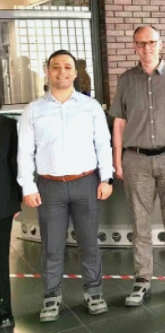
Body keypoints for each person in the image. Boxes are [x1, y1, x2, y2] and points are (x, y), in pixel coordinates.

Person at [17, 49, 113, 322]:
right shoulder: (33, 110)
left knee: (89, 243)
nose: (62, 72)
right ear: (47, 71)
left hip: (86, 183)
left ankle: (94, 292)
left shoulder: (90, 106)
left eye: (67, 67)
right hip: (50, 187)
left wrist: (106, 178)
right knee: (52, 246)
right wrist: (28, 186)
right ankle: (51, 296)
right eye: (56, 67)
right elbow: (25, 152)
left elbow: (102, 144)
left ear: (75, 72)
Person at [109, 25, 165, 306]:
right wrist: (117, 159)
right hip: (135, 159)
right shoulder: (125, 80)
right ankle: (142, 279)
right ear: (135, 46)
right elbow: (119, 123)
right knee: (140, 224)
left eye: (151, 42)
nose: (147, 47)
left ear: (161, 44)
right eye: (141, 43)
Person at [0, 109, 20, 329]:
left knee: (1, 259)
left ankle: (4, 310)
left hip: (3, 201)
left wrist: (17, 199)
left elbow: (14, 162)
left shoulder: (7, 125)